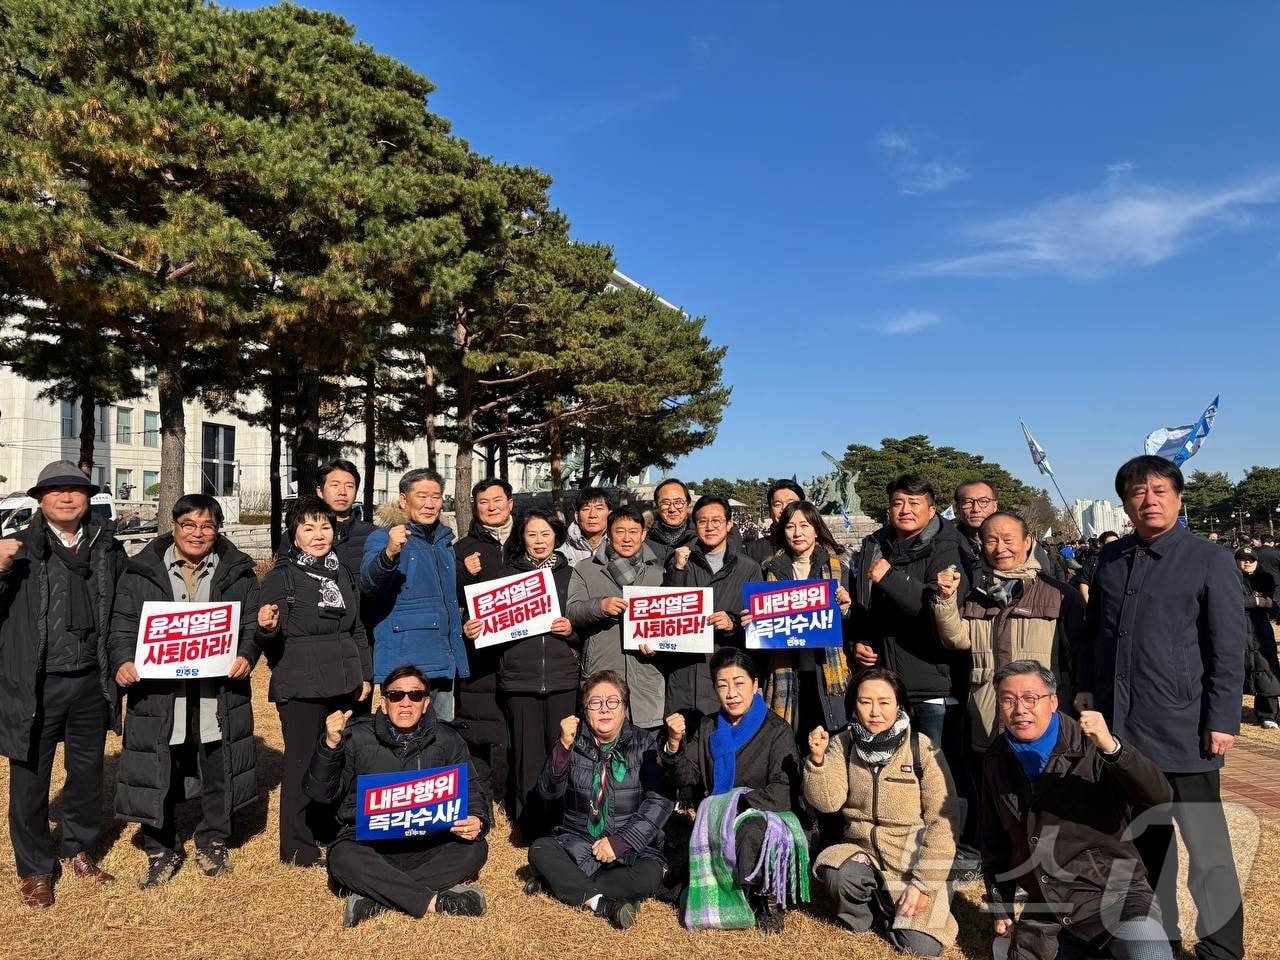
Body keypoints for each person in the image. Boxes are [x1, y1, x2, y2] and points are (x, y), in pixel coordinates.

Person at [1076, 455, 1245, 960]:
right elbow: (1097, 637)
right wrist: (1088, 689)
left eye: (1158, 491)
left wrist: (1222, 719)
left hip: (1186, 725)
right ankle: (1157, 938)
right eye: (1136, 492)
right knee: (1143, 844)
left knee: (1207, 848)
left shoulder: (1208, 558)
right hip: (1124, 729)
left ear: (1178, 497)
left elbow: (1228, 646)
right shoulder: (1110, 559)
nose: (1148, 500)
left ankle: (1220, 948)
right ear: (1124, 504)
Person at [110, 494, 261, 888]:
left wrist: (247, 653)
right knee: (160, 765)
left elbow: (250, 625)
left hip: (217, 689)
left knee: (217, 762)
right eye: (189, 525)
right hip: (159, 692)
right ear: (174, 527)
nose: (198, 533)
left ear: (217, 530)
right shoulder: (140, 571)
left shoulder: (237, 571)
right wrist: (122, 661)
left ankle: (213, 838)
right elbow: (122, 625)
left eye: (207, 525)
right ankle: (161, 846)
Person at [984, 661, 1173, 960]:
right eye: (1008, 700)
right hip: (1048, 905)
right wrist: (1001, 905)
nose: (1019, 709)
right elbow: (994, 839)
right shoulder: (996, 759)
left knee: (1150, 952)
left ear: (1053, 701)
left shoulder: (1092, 744)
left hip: (1114, 893)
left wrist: (1113, 749)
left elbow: (1159, 796)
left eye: (1030, 698)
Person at [0, 460, 122, 907]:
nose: (67, 497)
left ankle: (78, 847)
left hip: (91, 679)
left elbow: (128, 604)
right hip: (36, 683)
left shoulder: (108, 546)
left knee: (87, 773)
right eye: (56, 491)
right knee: (30, 780)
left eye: (76, 490)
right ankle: (34, 869)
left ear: (88, 498)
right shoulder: (19, 549)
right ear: (38, 499)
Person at [304, 664, 490, 927]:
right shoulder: (355, 736)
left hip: (429, 843)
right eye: (396, 695)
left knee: (476, 849)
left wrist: (477, 819)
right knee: (342, 859)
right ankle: (432, 902)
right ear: (383, 703)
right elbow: (321, 792)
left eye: (415, 695)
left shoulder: (448, 739)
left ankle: (378, 895)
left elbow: (471, 788)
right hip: (369, 846)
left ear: (426, 703)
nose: (406, 703)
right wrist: (330, 746)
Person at [803, 668, 959, 956]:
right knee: (840, 874)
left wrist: (924, 884)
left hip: (911, 861)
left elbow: (944, 822)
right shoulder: (842, 743)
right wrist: (818, 761)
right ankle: (865, 916)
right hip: (862, 850)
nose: (875, 712)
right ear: (854, 705)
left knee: (922, 947)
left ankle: (900, 904)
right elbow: (828, 802)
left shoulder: (922, 748)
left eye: (884, 702)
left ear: (898, 705)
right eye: (865, 702)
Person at [257, 495, 372, 866]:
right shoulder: (283, 575)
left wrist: (365, 674)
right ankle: (296, 847)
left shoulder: (343, 572)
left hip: (344, 680)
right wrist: (267, 627)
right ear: (294, 535)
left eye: (325, 526)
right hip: (302, 683)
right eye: (308, 528)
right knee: (302, 763)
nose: (319, 534)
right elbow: (268, 638)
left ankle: (329, 829)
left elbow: (357, 628)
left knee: (336, 760)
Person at [663, 648, 806, 934]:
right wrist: (674, 744)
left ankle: (768, 898)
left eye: (739, 683)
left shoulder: (777, 730)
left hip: (766, 814)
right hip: (719, 817)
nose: (731, 693)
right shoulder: (708, 726)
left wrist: (733, 805)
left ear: (756, 685)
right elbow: (686, 776)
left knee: (750, 830)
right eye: (722, 684)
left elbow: (783, 792)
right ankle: (737, 889)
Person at [525, 670, 674, 929]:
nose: (604, 709)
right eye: (595, 703)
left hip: (632, 849)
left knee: (649, 876)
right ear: (584, 710)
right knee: (539, 849)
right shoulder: (573, 741)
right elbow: (548, 792)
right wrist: (563, 747)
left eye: (612, 701)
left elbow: (660, 801)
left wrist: (622, 841)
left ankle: (557, 883)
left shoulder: (644, 742)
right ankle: (604, 903)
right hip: (579, 841)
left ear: (624, 707)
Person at [932, 510, 1084, 761]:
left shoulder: (1059, 594)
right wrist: (946, 600)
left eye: (1008, 539)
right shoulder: (975, 596)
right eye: (991, 540)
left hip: (1044, 715)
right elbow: (956, 639)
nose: (1000, 547)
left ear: (1028, 542)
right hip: (988, 714)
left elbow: (1080, 652)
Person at [486, 508, 579, 833]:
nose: (539, 541)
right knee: (525, 755)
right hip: (519, 678)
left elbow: (584, 623)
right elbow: (488, 627)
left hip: (562, 678)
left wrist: (572, 629)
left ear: (556, 536)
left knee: (562, 749)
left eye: (545, 534)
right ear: (521, 538)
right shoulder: (504, 576)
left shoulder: (572, 575)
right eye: (531, 534)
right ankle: (527, 823)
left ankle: (562, 820)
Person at [361, 468, 466, 719]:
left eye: (437, 496)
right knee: (404, 741)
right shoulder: (384, 537)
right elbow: (369, 583)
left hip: (443, 656)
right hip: (405, 662)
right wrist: (389, 554)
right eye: (422, 496)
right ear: (403, 500)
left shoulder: (443, 542)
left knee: (441, 739)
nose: (430, 504)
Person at [663, 495, 764, 727]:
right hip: (685, 673)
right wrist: (678, 569)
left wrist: (733, 623)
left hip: (727, 672)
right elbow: (667, 610)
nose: (710, 527)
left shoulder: (749, 568)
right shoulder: (679, 561)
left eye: (717, 520)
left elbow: (760, 627)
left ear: (729, 524)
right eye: (702, 521)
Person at [567, 505, 666, 731]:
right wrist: (599, 606)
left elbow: (670, 626)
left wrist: (659, 646)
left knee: (644, 756)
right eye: (620, 531)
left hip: (645, 675)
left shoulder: (658, 573)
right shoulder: (586, 568)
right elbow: (572, 611)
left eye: (633, 531)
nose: (627, 538)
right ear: (609, 534)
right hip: (601, 670)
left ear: (644, 534)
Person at [758, 500, 853, 734]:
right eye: (790, 526)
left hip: (826, 670)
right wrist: (755, 621)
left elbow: (854, 622)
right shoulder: (770, 570)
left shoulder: (839, 568)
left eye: (805, 525)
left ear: (816, 529)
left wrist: (845, 610)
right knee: (789, 739)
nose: (797, 533)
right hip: (786, 670)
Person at [454, 477, 515, 811]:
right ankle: (480, 804)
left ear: (510, 503)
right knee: (476, 731)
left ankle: (517, 800)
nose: (491, 507)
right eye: (483, 502)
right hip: (478, 654)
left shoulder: (528, 541)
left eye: (497, 500)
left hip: (521, 653)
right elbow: (449, 600)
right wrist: (464, 573)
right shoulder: (462, 548)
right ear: (474, 507)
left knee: (519, 728)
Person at [1236, 545, 1280, 729]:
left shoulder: (1266, 579)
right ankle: (1231, 713)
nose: (1247, 562)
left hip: (1261, 631)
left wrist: (1269, 604)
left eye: (1251, 559)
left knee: (1266, 670)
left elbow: (1274, 605)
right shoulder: (1229, 578)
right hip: (1236, 629)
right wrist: (1255, 602)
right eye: (1243, 559)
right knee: (1234, 672)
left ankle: (1268, 714)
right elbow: (1227, 600)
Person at [746, 479, 804, 565]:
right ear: (770, 511)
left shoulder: (817, 549)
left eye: (791, 503)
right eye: (777, 504)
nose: (784, 509)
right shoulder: (753, 551)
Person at [645, 478, 698, 565]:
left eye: (678, 502)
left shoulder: (701, 537)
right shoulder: (643, 536)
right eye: (665, 503)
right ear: (657, 506)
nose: (672, 509)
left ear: (688, 504)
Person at [559, 486, 612, 566]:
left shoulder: (621, 546)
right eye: (586, 509)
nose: (592, 515)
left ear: (610, 514)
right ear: (577, 516)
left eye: (599, 508)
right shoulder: (562, 551)